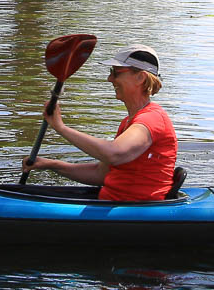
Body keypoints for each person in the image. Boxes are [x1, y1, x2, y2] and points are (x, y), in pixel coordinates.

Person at [22, 45, 177, 201]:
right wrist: (52, 164)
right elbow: (101, 173)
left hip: (134, 213)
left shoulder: (151, 119)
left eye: (115, 72)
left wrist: (61, 128)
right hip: (112, 205)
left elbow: (114, 153)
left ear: (140, 78)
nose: (109, 79)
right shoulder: (129, 122)